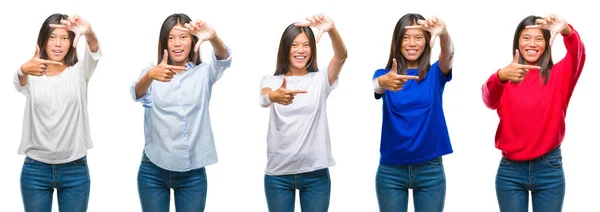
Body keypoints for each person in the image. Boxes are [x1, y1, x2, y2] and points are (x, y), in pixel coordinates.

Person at [481, 13, 585, 212]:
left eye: (539, 38)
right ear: (517, 42)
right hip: (510, 171)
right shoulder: (506, 77)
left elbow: (578, 53)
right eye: (526, 38)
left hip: (549, 169)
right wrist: (500, 75)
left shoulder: (560, 76)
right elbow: (488, 100)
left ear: (547, 43)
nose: (532, 44)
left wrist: (567, 31)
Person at [130, 13, 231, 212]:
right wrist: (150, 75)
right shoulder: (152, 73)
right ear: (164, 43)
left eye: (183, 37)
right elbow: (136, 93)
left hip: (192, 172)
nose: (177, 43)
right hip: (153, 169)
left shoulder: (204, 73)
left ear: (192, 40)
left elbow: (223, 60)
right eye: (171, 37)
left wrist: (213, 37)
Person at [258, 13, 347, 212]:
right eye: (294, 45)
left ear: (312, 49)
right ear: (285, 48)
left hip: (315, 174)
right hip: (278, 175)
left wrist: (332, 29)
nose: (301, 50)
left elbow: (341, 55)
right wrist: (274, 97)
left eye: (306, 45)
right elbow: (263, 99)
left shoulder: (321, 79)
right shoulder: (270, 81)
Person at [14, 13, 101, 212]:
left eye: (64, 38)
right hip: (36, 169)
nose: (58, 44)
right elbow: (18, 83)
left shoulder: (80, 72)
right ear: (43, 40)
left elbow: (94, 51)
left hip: (75, 169)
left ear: (72, 42)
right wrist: (23, 70)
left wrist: (89, 32)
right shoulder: (33, 74)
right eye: (52, 37)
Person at [372, 13, 454, 212]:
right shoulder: (384, 75)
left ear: (427, 41)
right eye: (406, 37)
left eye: (418, 37)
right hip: (391, 172)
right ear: (398, 41)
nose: (412, 43)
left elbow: (448, 54)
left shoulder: (435, 73)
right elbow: (376, 86)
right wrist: (382, 82)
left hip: (430, 170)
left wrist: (443, 33)